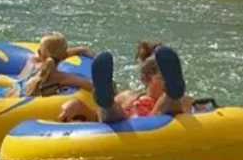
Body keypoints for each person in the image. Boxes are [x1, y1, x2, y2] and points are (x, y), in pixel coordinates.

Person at [57, 45, 194, 123]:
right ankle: (106, 99)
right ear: (145, 79)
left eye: (167, 80)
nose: (164, 85)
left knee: (171, 100)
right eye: (162, 79)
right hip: (126, 126)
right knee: (111, 110)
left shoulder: (183, 99)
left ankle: (173, 92)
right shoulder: (128, 96)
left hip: (160, 122)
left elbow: (192, 114)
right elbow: (97, 117)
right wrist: (78, 106)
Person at [8, 32, 95, 97]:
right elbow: (91, 87)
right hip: (24, 104)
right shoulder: (60, 77)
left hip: (8, 93)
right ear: (64, 56)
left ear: (39, 52)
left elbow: (47, 56)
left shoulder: (32, 61)